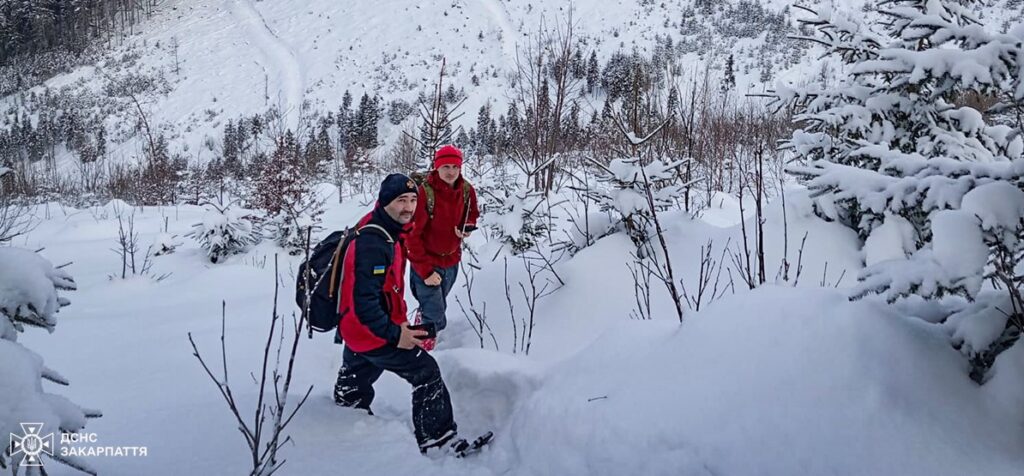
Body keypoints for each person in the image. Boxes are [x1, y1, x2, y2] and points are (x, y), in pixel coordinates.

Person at [333, 173, 462, 454]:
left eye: (413, 200)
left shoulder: (386, 228)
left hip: (356, 329)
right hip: (370, 330)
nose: (408, 207)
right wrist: (396, 334)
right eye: (401, 200)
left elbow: (385, 288)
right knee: (426, 372)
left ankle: (345, 409)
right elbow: (364, 303)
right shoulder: (373, 242)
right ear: (384, 201)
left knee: (358, 371)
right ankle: (438, 439)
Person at [405, 145, 480, 350]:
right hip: (427, 261)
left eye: (455, 166)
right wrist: (425, 271)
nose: (450, 171)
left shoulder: (466, 190)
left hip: (451, 260)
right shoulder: (424, 194)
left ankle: (425, 319)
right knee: (436, 312)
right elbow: (412, 236)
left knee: (439, 302)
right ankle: (423, 346)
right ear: (436, 167)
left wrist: (467, 227)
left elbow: (472, 213)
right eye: (445, 166)